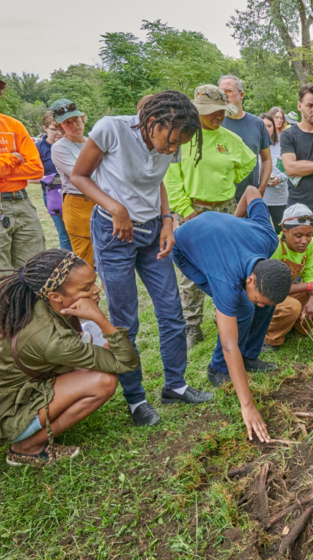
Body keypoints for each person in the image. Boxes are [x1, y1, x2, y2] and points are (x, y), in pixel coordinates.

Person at [71, 90, 214, 428]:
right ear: (152, 122)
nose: (173, 149)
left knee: (171, 312)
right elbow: (79, 176)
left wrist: (167, 221)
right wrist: (115, 207)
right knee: (126, 322)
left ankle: (175, 386)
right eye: (171, 139)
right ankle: (136, 400)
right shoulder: (111, 129)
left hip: (153, 234)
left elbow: (158, 181)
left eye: (180, 144)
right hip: (113, 233)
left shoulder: (171, 142)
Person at [0, 249, 139, 466]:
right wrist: (101, 319)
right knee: (104, 382)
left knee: (97, 348)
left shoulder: (43, 302)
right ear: (55, 296)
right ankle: (27, 448)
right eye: (86, 287)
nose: (96, 289)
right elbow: (127, 362)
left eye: (93, 281)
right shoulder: (54, 340)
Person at [171, 186, 292, 443]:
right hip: (186, 246)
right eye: (257, 295)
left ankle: (249, 356)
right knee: (243, 309)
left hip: (219, 231)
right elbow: (228, 344)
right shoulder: (225, 279)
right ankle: (217, 370)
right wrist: (247, 405)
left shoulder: (268, 238)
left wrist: (235, 222)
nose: (261, 305)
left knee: (261, 303)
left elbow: (250, 191)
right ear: (250, 278)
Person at [164, 85, 257, 350]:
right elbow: (171, 180)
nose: (218, 115)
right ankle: (192, 325)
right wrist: (187, 210)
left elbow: (249, 162)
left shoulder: (229, 138)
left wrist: (230, 182)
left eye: (221, 110)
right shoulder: (183, 139)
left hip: (226, 208)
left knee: (230, 265)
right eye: (212, 111)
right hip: (194, 210)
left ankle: (227, 315)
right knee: (191, 271)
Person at [0, 64, 46, 340]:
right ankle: (3, 348)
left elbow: (36, 169)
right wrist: (8, 160)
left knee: (35, 273)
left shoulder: (13, 125)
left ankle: (38, 339)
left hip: (21, 203)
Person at [263, 204, 313, 351]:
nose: (304, 241)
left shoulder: (310, 244)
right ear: (285, 231)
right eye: (298, 235)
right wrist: (309, 287)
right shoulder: (274, 246)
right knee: (291, 307)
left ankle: (296, 329)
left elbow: (311, 272)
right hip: (266, 297)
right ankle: (269, 338)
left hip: (286, 291)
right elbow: (270, 288)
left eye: (308, 235)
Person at [50, 99, 95, 267]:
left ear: (82, 118)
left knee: (110, 260)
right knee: (86, 262)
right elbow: (82, 175)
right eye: (66, 122)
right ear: (60, 127)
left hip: (102, 202)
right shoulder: (60, 148)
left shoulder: (94, 142)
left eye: (75, 119)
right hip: (79, 204)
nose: (73, 125)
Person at [218, 75, 273, 199]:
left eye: (229, 91)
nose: (224, 95)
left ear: (241, 94)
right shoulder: (215, 124)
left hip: (249, 198)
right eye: (221, 92)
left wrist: (261, 190)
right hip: (220, 200)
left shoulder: (257, 124)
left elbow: (266, 160)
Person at [280, 85, 313, 239]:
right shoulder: (289, 135)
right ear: (299, 106)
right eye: (310, 105)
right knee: (296, 256)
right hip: (298, 207)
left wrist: (305, 167)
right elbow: (290, 168)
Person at [36, 112, 72, 251]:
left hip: (74, 192)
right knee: (64, 234)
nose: (58, 133)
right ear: (45, 128)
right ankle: (69, 265)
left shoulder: (69, 144)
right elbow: (30, 176)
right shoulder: (39, 148)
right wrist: (51, 178)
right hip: (53, 194)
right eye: (54, 129)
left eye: (61, 128)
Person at [259, 113, 290, 234]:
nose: (266, 129)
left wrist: (280, 178)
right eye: (263, 125)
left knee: (282, 231)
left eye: (269, 125)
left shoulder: (282, 145)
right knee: (262, 231)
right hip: (261, 196)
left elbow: (289, 169)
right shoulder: (254, 146)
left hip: (279, 197)